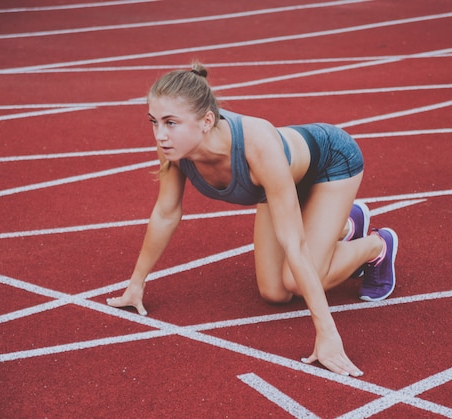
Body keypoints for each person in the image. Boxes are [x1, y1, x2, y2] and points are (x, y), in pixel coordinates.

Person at [107, 63, 398, 377]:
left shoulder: (256, 148)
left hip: (330, 163)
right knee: (274, 293)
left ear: (206, 121)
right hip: (280, 184)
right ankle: (342, 225)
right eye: (154, 122)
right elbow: (166, 213)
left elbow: (294, 245)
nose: (160, 134)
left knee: (293, 281)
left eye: (171, 122)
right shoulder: (174, 146)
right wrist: (135, 285)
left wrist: (327, 334)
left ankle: (376, 246)